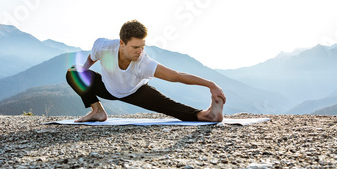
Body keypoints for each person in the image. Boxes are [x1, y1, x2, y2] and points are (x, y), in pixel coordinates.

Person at [66, 20, 226, 122]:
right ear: (121, 43)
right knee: (72, 73)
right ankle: (97, 111)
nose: (139, 51)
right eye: (135, 47)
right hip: (107, 88)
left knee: (170, 107)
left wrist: (210, 84)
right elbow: (92, 56)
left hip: (136, 92)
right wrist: (83, 68)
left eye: (142, 47)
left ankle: (208, 115)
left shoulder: (144, 63)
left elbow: (177, 76)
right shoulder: (103, 46)